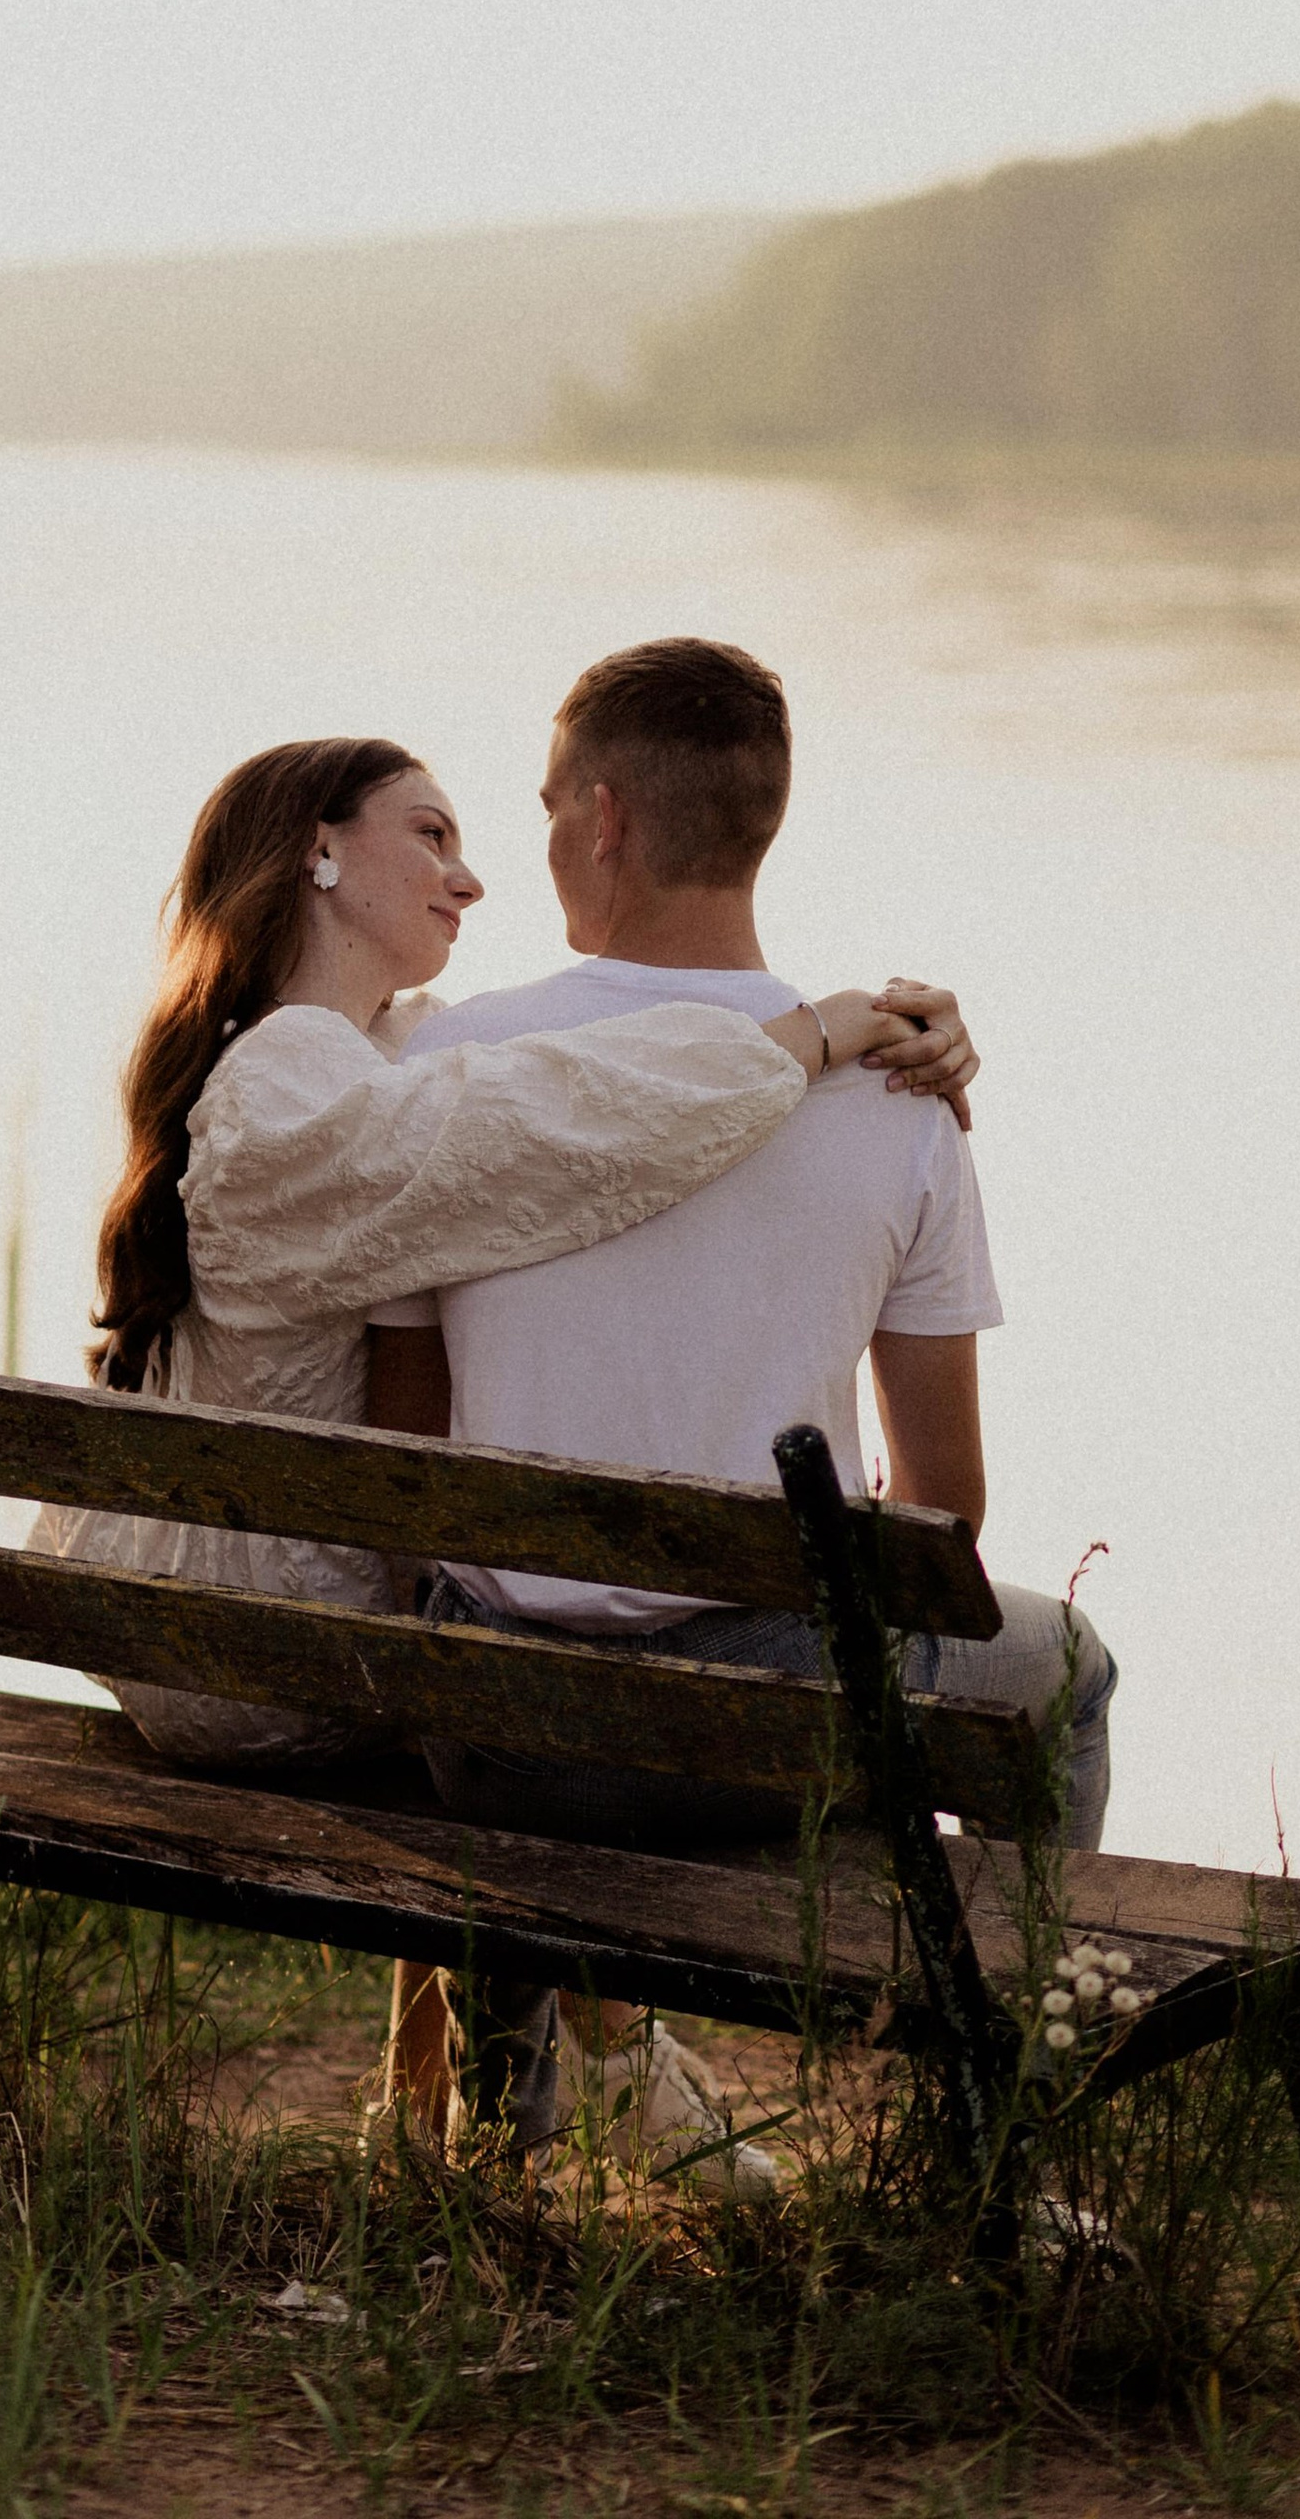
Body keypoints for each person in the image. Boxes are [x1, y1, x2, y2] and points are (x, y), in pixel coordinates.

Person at [363, 634, 1114, 2174]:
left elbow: (402, 1455)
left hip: (502, 1739)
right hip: (770, 1739)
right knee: (1069, 1676)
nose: (541, 845)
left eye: (550, 806)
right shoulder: (900, 1101)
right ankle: (1000, 2129)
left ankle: (494, 2100)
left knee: (482, 1596)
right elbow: (945, 1518)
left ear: (608, 818)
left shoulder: (449, 1058)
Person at [38, 731, 977, 1773]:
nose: (471, 879)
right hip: (271, 1661)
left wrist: (907, 1020)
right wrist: (824, 1028)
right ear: (320, 851)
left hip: (252, 1632)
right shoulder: (287, 1080)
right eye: (430, 834)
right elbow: (553, 1119)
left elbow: (556, 1067)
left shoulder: (367, 1056)